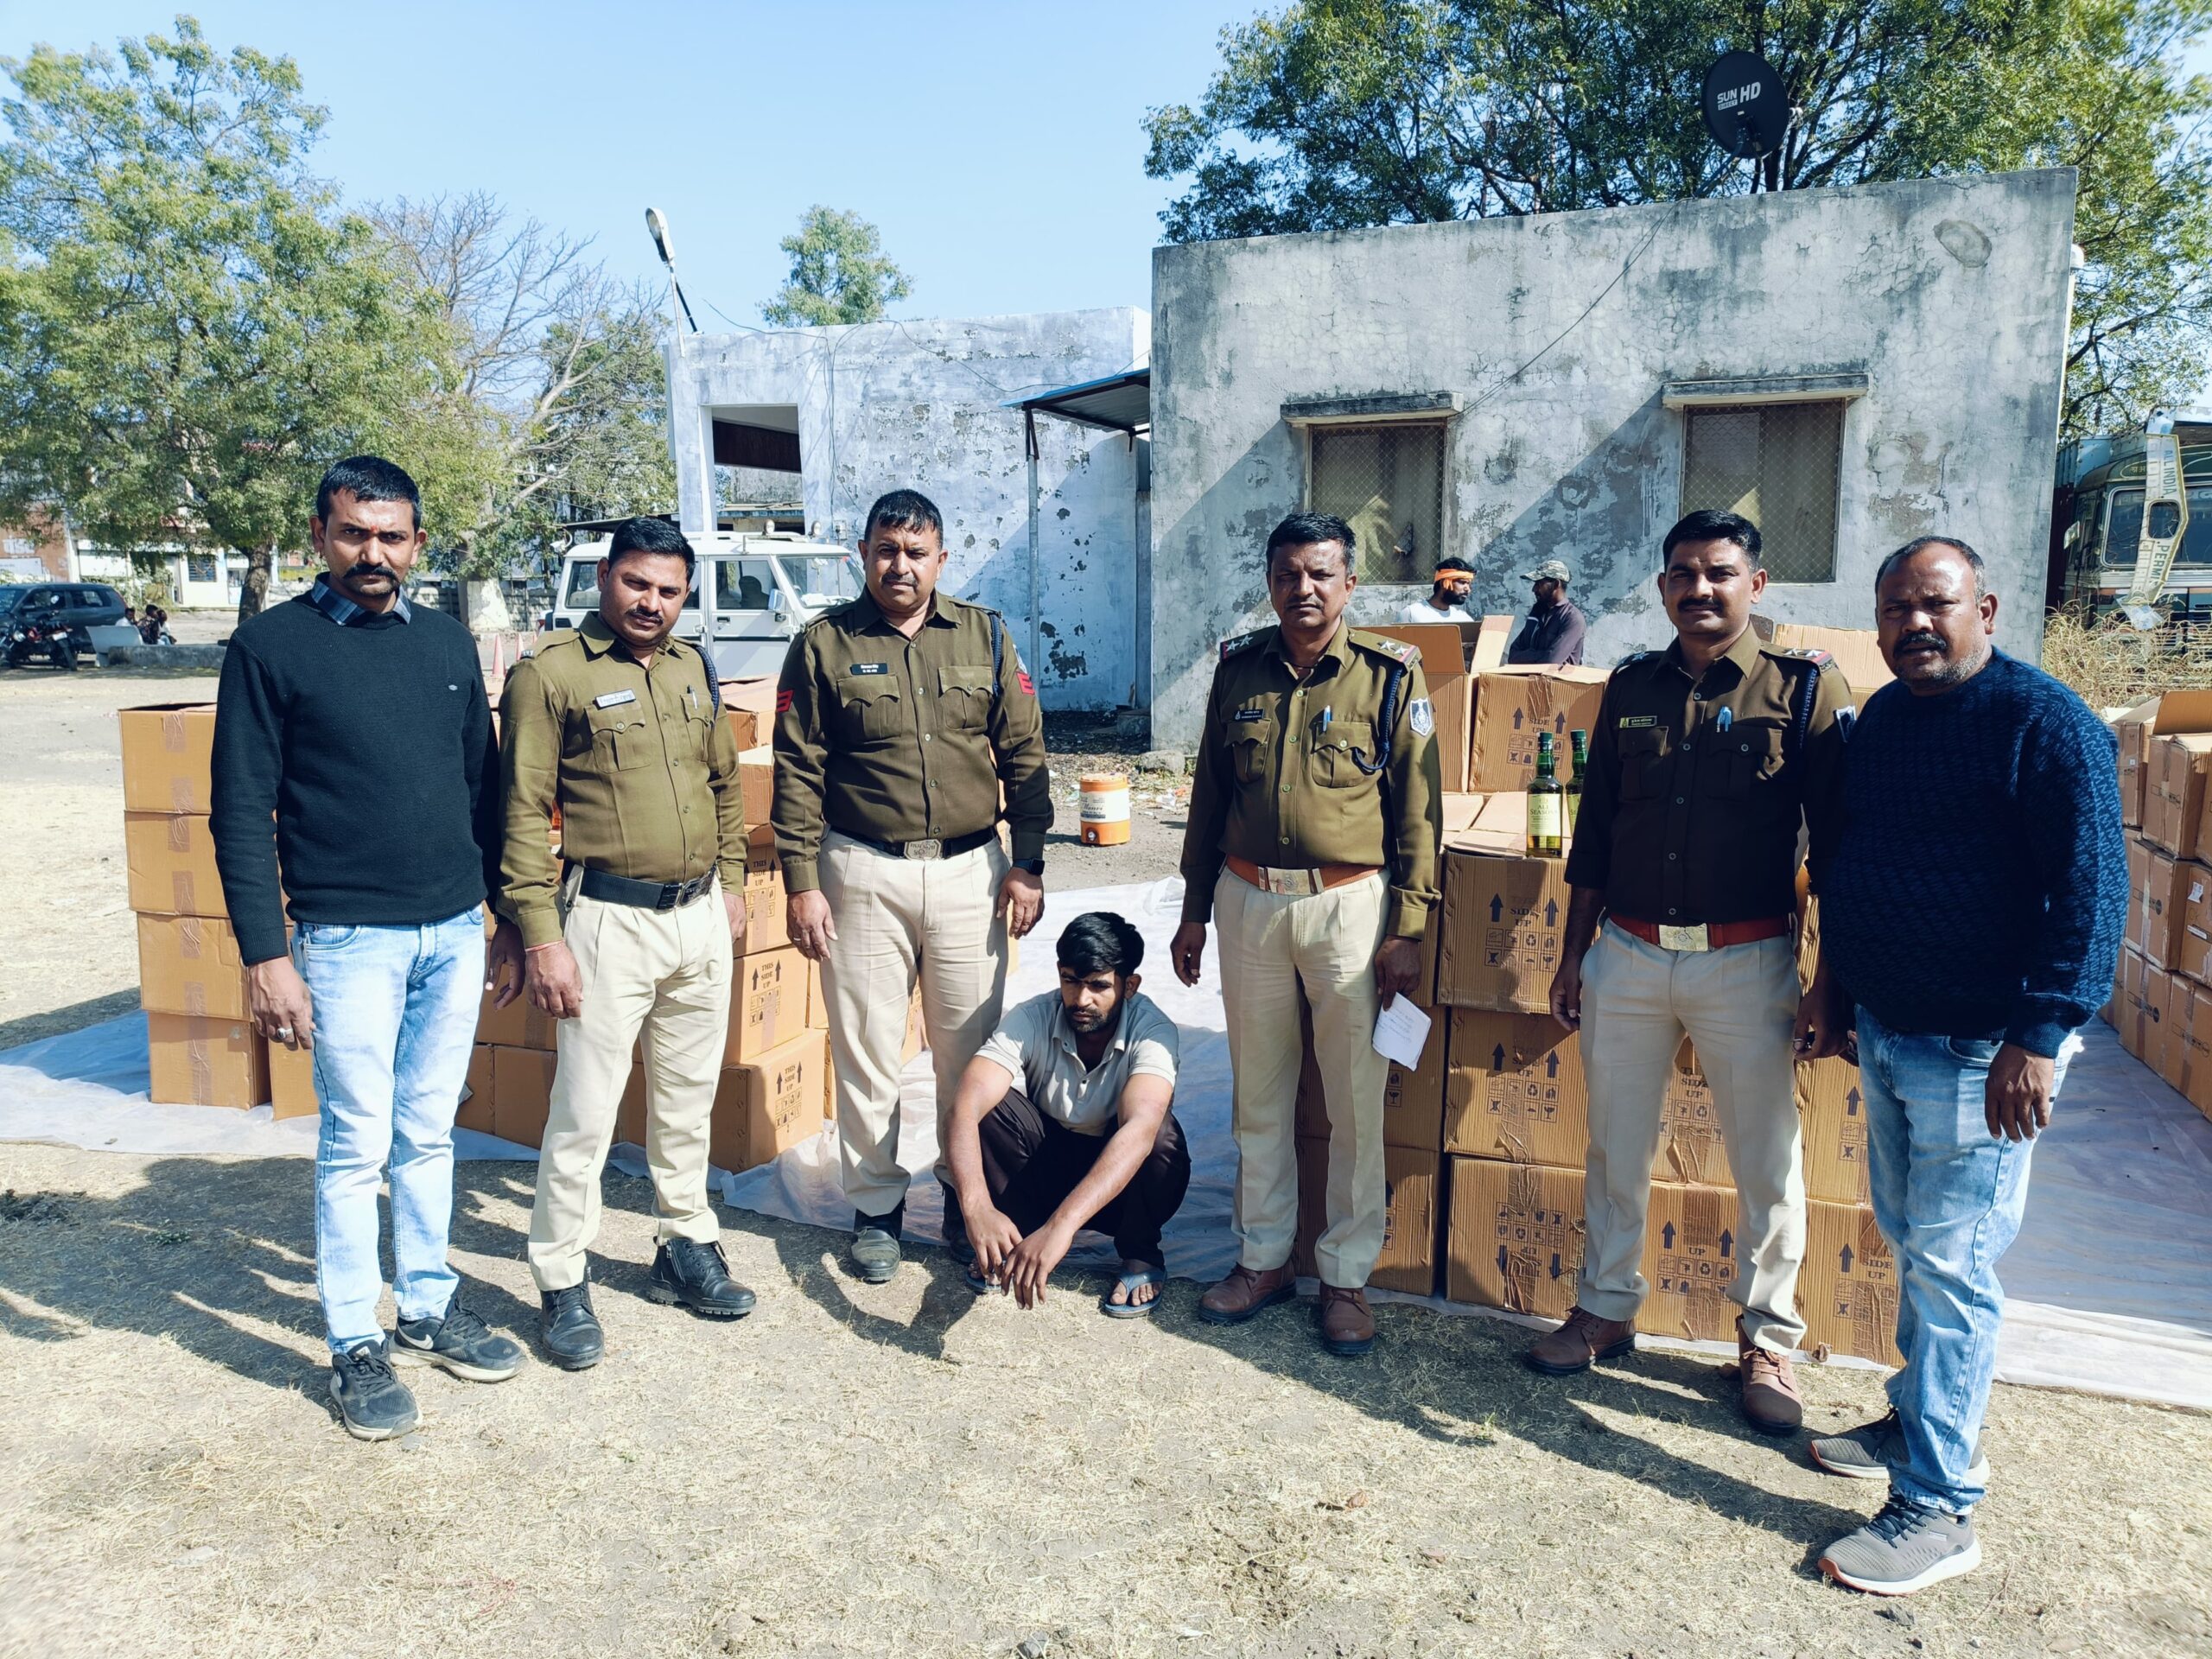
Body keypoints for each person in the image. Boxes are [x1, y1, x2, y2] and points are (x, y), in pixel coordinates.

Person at [1808, 537, 2125, 1595]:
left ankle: (1938, 1508)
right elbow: (1852, 862)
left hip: (1982, 1050)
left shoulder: (2046, 725)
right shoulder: (1886, 721)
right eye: (1894, 608)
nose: (1913, 624)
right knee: (1913, 1245)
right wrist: (1837, 989)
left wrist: (2039, 1037)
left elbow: (2092, 894)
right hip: (1890, 1030)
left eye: (1934, 604)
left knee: (1954, 1269)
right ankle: (1915, 1421)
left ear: (1983, 609)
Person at [209, 455, 525, 1440]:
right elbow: (239, 810)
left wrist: (508, 916)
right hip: (346, 940)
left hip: (452, 931)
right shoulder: (269, 648)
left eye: (391, 536)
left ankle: (425, 1305)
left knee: (429, 1133)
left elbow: (485, 789)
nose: (373, 553)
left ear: (418, 543)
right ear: (321, 536)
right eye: (354, 533)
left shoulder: (445, 641)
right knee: (356, 1143)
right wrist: (266, 955)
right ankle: (354, 1338)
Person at [1538, 508, 1851, 1433]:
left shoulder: (1803, 688)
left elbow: (1839, 852)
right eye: (1682, 574)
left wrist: (1826, 983)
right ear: (1662, 587)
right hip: (1629, 955)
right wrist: (1573, 954)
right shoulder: (1631, 686)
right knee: (1614, 1146)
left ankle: (1767, 1339)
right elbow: (1596, 835)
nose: (1699, 589)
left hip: (1746, 960)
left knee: (1766, 1160)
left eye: (1719, 573)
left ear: (1756, 584)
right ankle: (1604, 1308)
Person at [1172, 511, 1442, 1358]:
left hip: (1349, 909)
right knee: (1258, 1095)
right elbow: (1209, 798)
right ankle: (1261, 1260)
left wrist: (1407, 928)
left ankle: (1346, 1278)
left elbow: (1418, 815)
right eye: (1288, 574)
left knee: (1355, 1102)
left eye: (1321, 573)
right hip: (1247, 901)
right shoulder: (1238, 670)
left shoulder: (1391, 674)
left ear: (1349, 583)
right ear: (1269, 582)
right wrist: (1192, 907)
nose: (1304, 589)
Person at [773, 488, 1052, 1285]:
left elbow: (1025, 753)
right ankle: (876, 1210)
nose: (901, 565)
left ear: (941, 559)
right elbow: (797, 769)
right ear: (864, 554)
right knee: (866, 1048)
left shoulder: (984, 635)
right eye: (887, 550)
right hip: (861, 870)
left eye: (916, 551)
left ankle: (970, 1199)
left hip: (971, 872)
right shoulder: (824, 644)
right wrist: (802, 882)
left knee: (972, 1050)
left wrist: (1029, 862)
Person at [499, 515, 755, 1370]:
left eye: (669, 590)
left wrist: (731, 885)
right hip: (606, 921)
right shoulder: (550, 673)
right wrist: (540, 936)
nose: (651, 603)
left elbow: (724, 782)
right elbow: (521, 813)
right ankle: (561, 1277)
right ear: (606, 577)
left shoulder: (691, 667)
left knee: (686, 1101)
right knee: (585, 1114)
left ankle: (685, 1245)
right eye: (636, 583)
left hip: (697, 919)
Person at [942, 911, 1190, 1316]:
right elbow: (965, 1106)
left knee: (1160, 1135)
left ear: (1129, 986)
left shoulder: (1153, 1029)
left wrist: (1062, 1227)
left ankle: (1141, 1254)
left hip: (1121, 1189)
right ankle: (1013, 1239)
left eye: (1098, 985)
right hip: (1045, 1168)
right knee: (986, 1105)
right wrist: (976, 1207)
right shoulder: (1033, 1016)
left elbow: (1141, 1128)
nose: (1081, 999)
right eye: (1070, 980)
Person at [1505, 559, 1586, 664]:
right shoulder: (1537, 614)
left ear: (1556, 584)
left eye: (1539, 584)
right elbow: (1513, 656)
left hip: (1555, 676)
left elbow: (1552, 662)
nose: (1534, 589)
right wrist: (1540, 654)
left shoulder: (1572, 618)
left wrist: (1528, 655)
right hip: (1530, 675)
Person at [1394, 556, 1475, 624]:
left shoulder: (1464, 620)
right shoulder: (1412, 614)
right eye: (1462, 582)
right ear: (1443, 583)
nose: (1467, 589)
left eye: (1468, 584)